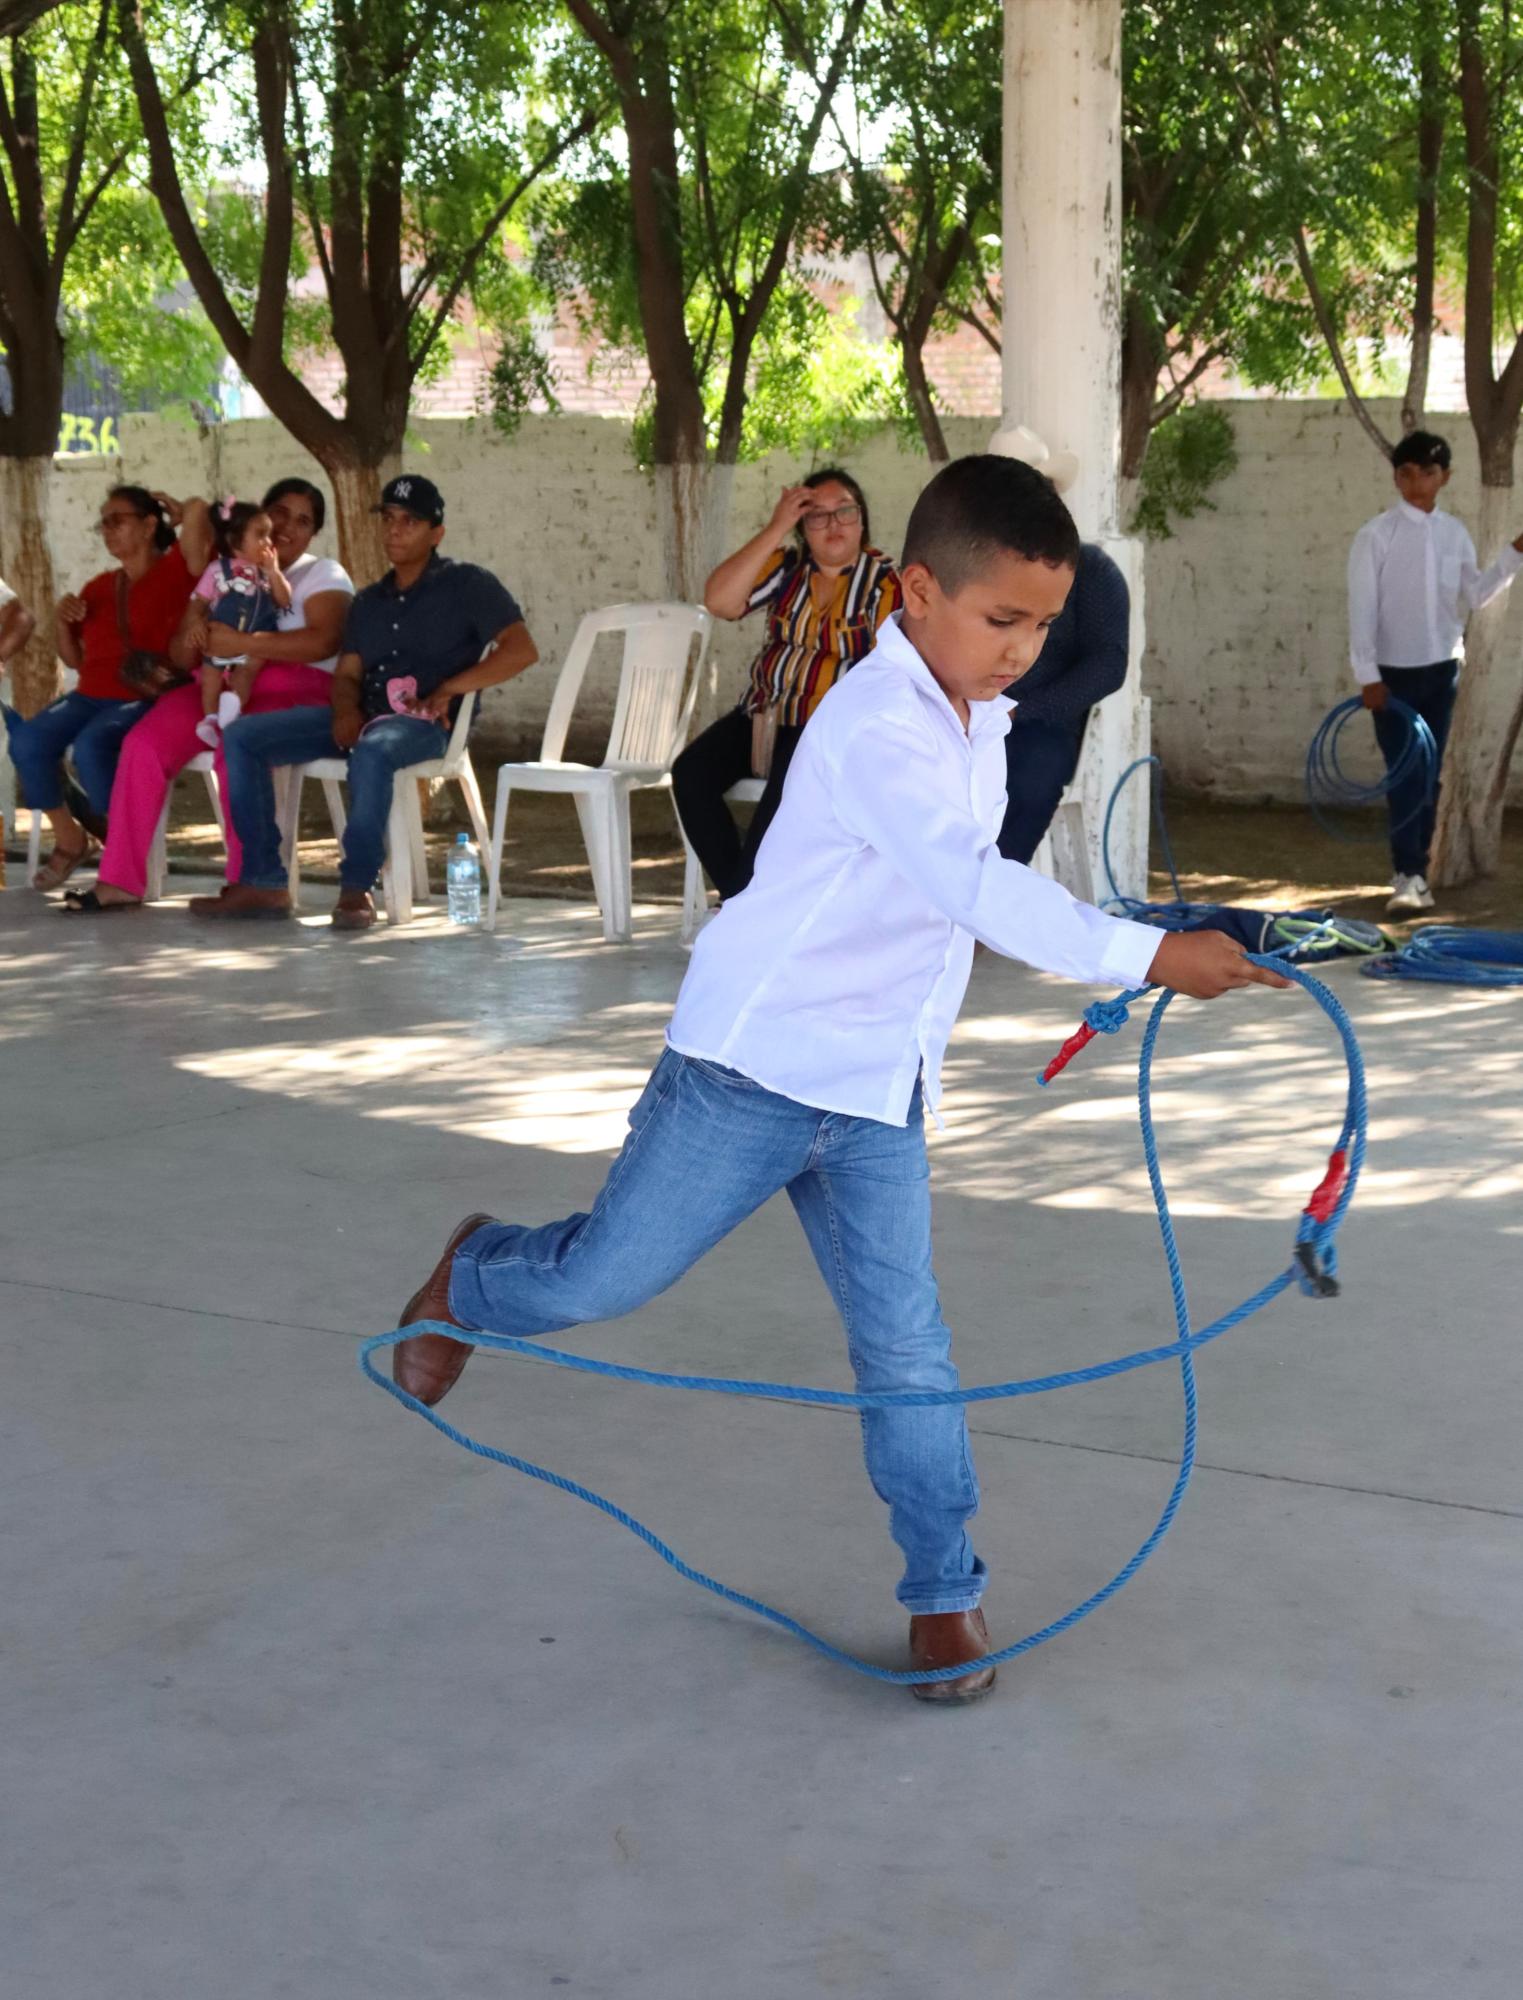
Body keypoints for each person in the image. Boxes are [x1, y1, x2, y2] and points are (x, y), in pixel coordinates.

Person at [386, 456, 1290, 1705]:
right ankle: (474, 1271)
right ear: (917, 589)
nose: (1023, 650)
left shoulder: (981, 715)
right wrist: (1151, 953)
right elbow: (973, 891)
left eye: (1040, 625)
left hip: (876, 1094)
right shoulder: (875, 723)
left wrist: (1141, 952)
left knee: (906, 1348)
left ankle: (943, 1593)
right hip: (749, 1070)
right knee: (605, 1275)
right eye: (1001, 620)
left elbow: (968, 888)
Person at [190, 473, 537, 932]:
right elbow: (349, 672)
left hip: (426, 724)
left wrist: (452, 688)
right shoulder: (370, 601)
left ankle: (356, 886)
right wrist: (345, 708)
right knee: (243, 737)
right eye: (389, 519)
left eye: (409, 522)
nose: (395, 529)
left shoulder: (466, 584)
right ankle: (263, 881)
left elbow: (521, 649)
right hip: (365, 717)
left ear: (436, 533)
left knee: (374, 748)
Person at [63, 478, 354, 916]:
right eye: (278, 512)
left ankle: (247, 881)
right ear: (257, 514)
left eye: (303, 520)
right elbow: (183, 655)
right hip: (213, 683)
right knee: (143, 743)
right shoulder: (224, 570)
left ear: (314, 532)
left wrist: (245, 642)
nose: (286, 527)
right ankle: (119, 879)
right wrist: (197, 618)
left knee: (235, 744)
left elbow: (324, 642)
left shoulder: (321, 572)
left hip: (289, 688)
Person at [673, 468, 900, 903]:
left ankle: (742, 906)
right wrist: (776, 526)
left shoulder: (885, 581)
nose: (833, 524)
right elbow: (720, 601)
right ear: (802, 527)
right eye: (816, 516)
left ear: (862, 519)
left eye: (844, 512)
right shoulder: (787, 569)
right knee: (691, 774)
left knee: (778, 807)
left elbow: (887, 667)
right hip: (763, 715)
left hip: (826, 728)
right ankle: (745, 900)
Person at [1347, 428, 1523, 913]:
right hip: (1392, 677)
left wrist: (1514, 553)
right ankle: (1407, 874)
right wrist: (1368, 676)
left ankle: (1416, 872)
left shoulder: (1454, 534)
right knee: (1405, 774)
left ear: (1445, 477)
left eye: (1427, 473)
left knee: (1428, 777)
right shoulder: (1375, 536)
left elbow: (1477, 595)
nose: (1417, 482)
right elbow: (1362, 609)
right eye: (1406, 473)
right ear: (1396, 478)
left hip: (1442, 669)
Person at [6, 487, 211, 892]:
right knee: (27, 741)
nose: (107, 530)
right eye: (103, 523)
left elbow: (201, 524)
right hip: (89, 696)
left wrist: (184, 511)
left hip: (146, 697)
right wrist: (62, 624)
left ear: (150, 525)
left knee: (92, 745)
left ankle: (121, 857)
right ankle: (70, 838)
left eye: (117, 520)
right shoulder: (99, 586)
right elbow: (74, 661)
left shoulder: (177, 571)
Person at [996, 541, 1129, 863]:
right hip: (971, 708)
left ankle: (999, 882)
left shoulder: (1091, 569)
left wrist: (1023, 711)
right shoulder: (982, 561)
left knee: (1032, 777)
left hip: (1043, 723)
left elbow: (1108, 664)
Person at [191, 499, 292, 748]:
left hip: (257, 639)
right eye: (260, 535)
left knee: (247, 672)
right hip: (220, 637)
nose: (268, 543)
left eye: (269, 536)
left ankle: (232, 706)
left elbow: (283, 599)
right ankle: (210, 718)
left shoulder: (266, 573)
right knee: (211, 676)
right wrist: (196, 623)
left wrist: (274, 572)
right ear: (235, 541)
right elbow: (199, 602)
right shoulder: (216, 570)